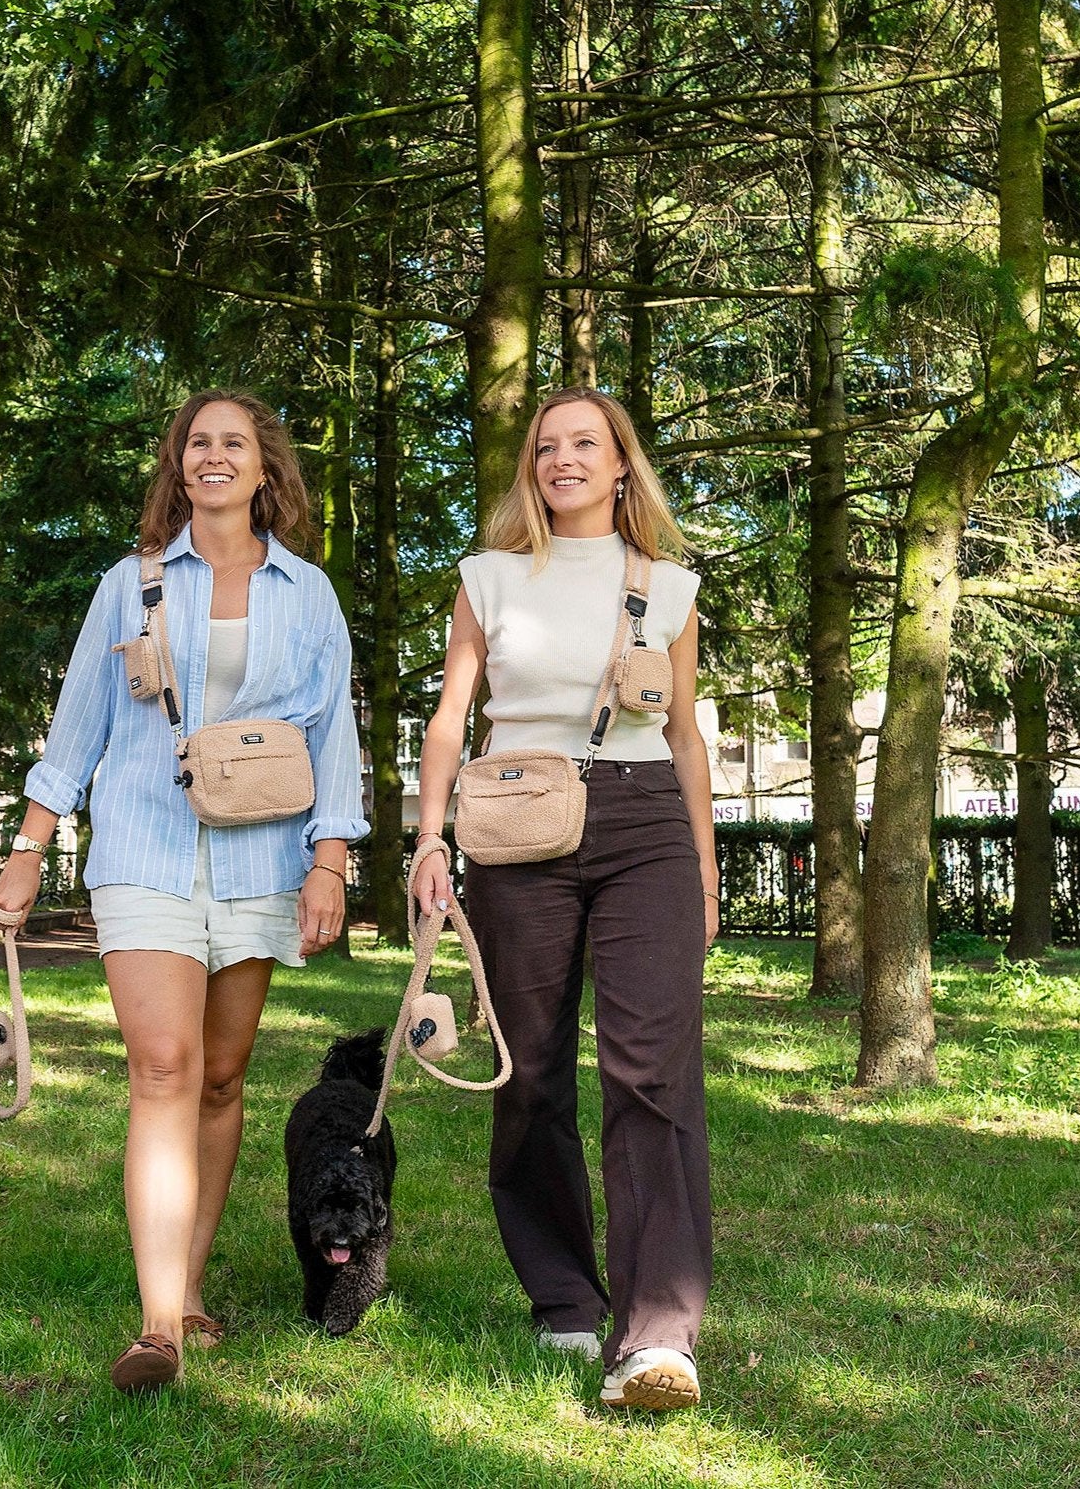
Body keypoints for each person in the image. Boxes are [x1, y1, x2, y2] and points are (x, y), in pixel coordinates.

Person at [0, 389, 368, 1393]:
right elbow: (78, 722)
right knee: (163, 1067)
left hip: (264, 860)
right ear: (178, 466)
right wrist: (30, 846)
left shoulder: (310, 593)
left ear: (264, 468)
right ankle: (158, 1324)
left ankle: (191, 1289)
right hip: (144, 850)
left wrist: (331, 859)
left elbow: (337, 737)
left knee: (220, 1078)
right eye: (197, 443)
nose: (214, 456)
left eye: (232, 443)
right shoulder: (132, 584)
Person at [411, 386, 718, 1410]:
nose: (564, 460)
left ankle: (657, 1335)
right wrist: (428, 841)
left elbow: (683, 736)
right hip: (514, 820)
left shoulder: (667, 586)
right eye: (548, 447)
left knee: (651, 1074)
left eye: (586, 444)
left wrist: (706, 871)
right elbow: (451, 718)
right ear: (530, 468)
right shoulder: (489, 578)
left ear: (622, 464)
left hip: (645, 830)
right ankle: (565, 1303)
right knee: (529, 1071)